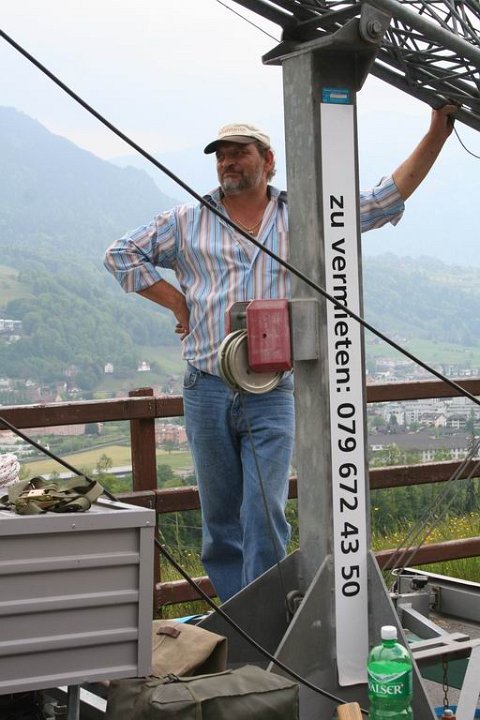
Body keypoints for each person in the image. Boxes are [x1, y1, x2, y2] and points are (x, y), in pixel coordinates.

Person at [104, 106, 456, 602]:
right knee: (220, 516)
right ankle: (238, 615)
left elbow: (381, 201)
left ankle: (265, 617)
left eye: (239, 153)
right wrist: (178, 301)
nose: (228, 162)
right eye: (221, 155)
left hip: (271, 388)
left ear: (268, 161)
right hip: (206, 385)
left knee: (264, 511)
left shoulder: (303, 215)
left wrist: (437, 133)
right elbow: (121, 255)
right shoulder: (186, 220)